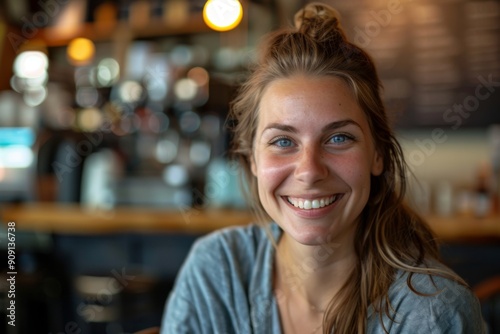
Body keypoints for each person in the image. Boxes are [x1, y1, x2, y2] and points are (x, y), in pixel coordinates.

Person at [160, 2, 486, 333]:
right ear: (253, 159)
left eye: (339, 138)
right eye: (283, 142)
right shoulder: (217, 272)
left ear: (378, 155)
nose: (310, 170)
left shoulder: (432, 314)